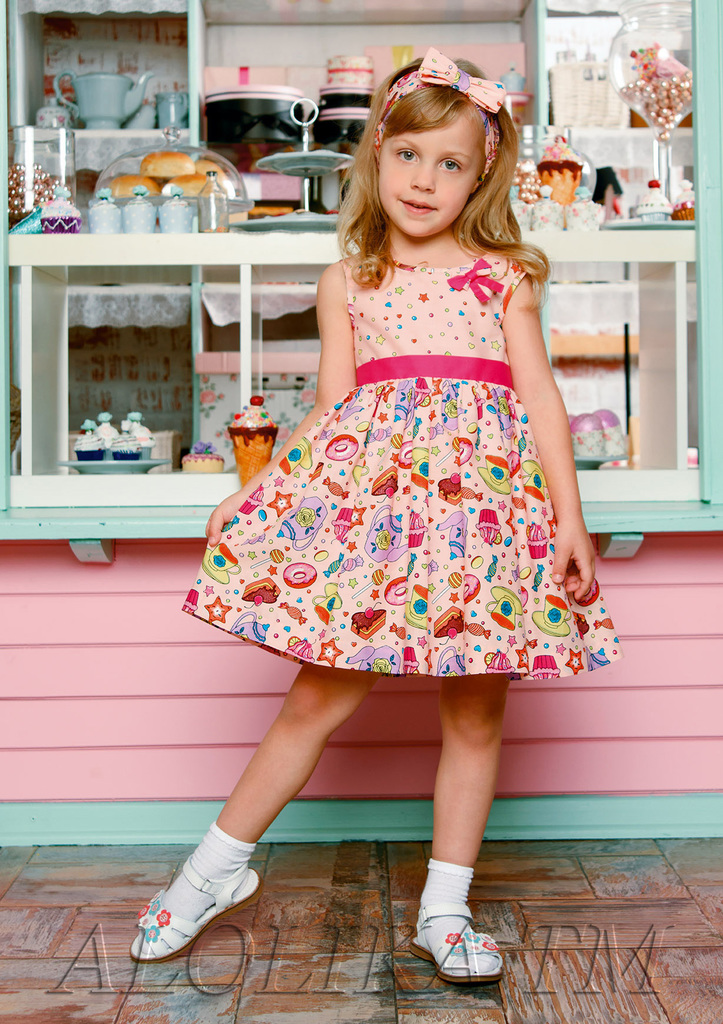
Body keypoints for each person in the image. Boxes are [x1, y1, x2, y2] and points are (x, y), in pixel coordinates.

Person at [130, 48, 623, 983]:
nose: (423, 181)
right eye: (407, 156)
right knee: (318, 695)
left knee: (475, 712)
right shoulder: (349, 281)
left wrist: (568, 518)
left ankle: (444, 909)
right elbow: (329, 412)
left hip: (485, 524)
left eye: (450, 163)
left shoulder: (503, 277)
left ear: (479, 177)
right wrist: (256, 488)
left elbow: (541, 400)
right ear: (376, 157)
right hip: (376, 528)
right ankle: (212, 871)